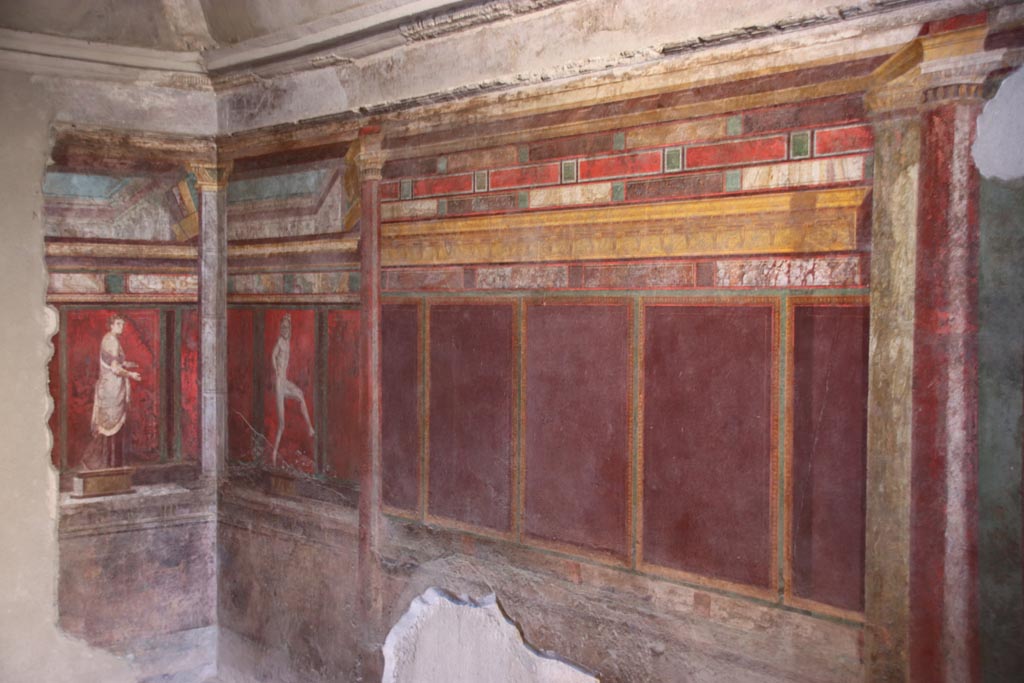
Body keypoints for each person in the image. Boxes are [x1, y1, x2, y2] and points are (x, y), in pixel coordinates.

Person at [82, 314, 141, 469]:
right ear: (111, 325)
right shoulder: (112, 341)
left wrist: (128, 364)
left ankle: (108, 465)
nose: (122, 327)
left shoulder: (108, 339)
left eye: (122, 324)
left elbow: (113, 362)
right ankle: (102, 464)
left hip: (109, 388)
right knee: (110, 426)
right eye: (118, 324)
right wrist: (131, 374)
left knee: (110, 427)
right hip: (112, 390)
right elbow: (115, 368)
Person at [271, 314, 315, 465]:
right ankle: (274, 456)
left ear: (289, 329)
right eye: (282, 327)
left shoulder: (288, 341)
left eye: (287, 327)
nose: (284, 330)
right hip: (279, 384)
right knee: (281, 425)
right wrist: (276, 369)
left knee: (301, 395)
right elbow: (273, 355)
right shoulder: (280, 342)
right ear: (280, 329)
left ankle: (310, 428)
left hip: (285, 382)